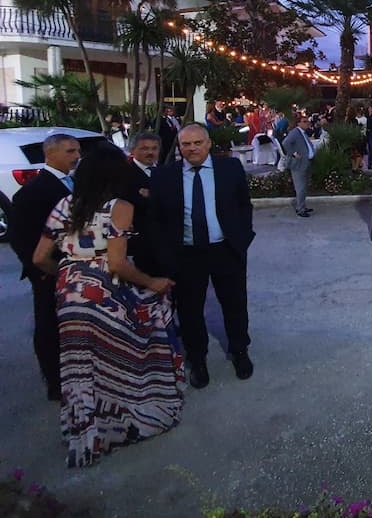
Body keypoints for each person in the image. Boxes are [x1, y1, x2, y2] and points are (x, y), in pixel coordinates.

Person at [32, 142, 182, 467]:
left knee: (81, 364)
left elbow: (40, 258)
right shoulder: (119, 207)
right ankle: (129, 421)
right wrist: (152, 282)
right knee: (123, 354)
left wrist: (69, 272)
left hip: (69, 295)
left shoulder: (64, 204)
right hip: (106, 293)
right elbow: (117, 263)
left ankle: (87, 432)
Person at [149, 123, 255, 389]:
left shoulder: (230, 168)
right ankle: (197, 359)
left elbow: (244, 204)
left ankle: (240, 351)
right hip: (186, 254)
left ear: (208, 144)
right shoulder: (164, 176)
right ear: (179, 147)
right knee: (189, 310)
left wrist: (243, 238)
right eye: (186, 144)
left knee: (234, 304)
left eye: (197, 143)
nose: (192, 148)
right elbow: (157, 219)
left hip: (225, 250)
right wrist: (166, 255)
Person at [10, 133, 81, 401]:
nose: (77, 156)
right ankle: (55, 381)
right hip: (48, 271)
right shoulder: (33, 192)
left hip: (76, 269)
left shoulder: (75, 183)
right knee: (49, 325)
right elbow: (20, 236)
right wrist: (41, 268)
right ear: (50, 154)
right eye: (70, 151)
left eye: (77, 151)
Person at [124, 132, 162, 280]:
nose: (150, 152)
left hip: (166, 242)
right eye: (145, 148)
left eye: (154, 148)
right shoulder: (124, 174)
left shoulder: (165, 171)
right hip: (140, 243)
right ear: (133, 150)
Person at [284, 114, 316, 217]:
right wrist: (293, 153)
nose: (307, 123)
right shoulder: (295, 133)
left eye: (307, 121)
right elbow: (285, 143)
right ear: (298, 123)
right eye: (304, 122)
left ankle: (303, 206)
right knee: (300, 187)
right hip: (298, 164)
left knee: (304, 186)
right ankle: (300, 209)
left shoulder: (303, 133)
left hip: (306, 163)